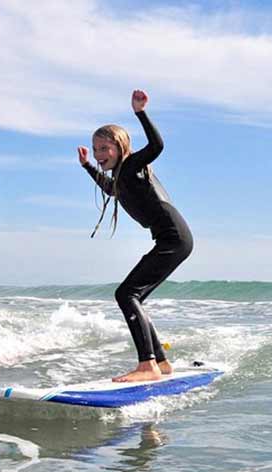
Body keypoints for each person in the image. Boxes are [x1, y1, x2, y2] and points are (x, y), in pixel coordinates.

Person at [77, 89, 193, 382]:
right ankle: (161, 363)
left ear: (120, 147)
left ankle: (147, 365)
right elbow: (109, 188)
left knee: (126, 294)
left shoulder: (131, 166)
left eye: (104, 149)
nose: (99, 154)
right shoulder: (121, 177)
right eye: (95, 149)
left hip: (174, 238)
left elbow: (157, 145)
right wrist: (87, 166)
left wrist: (140, 113)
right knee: (134, 297)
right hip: (172, 239)